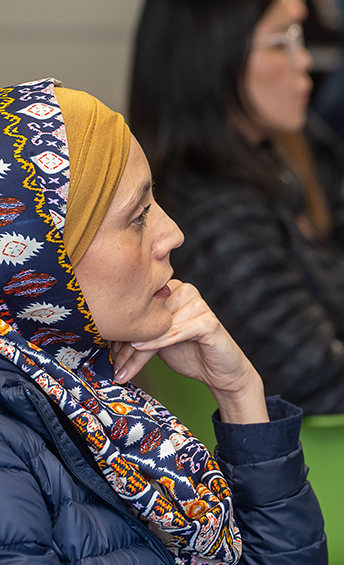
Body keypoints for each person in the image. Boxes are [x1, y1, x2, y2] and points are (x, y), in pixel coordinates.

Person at [0, 78, 326, 565]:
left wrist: (240, 396)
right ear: (36, 266)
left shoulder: (69, 382)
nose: (172, 234)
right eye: (137, 218)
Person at [129, 0, 344, 414]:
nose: (304, 61)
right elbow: (316, 384)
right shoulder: (217, 217)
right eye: (283, 42)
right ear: (211, 55)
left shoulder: (270, 160)